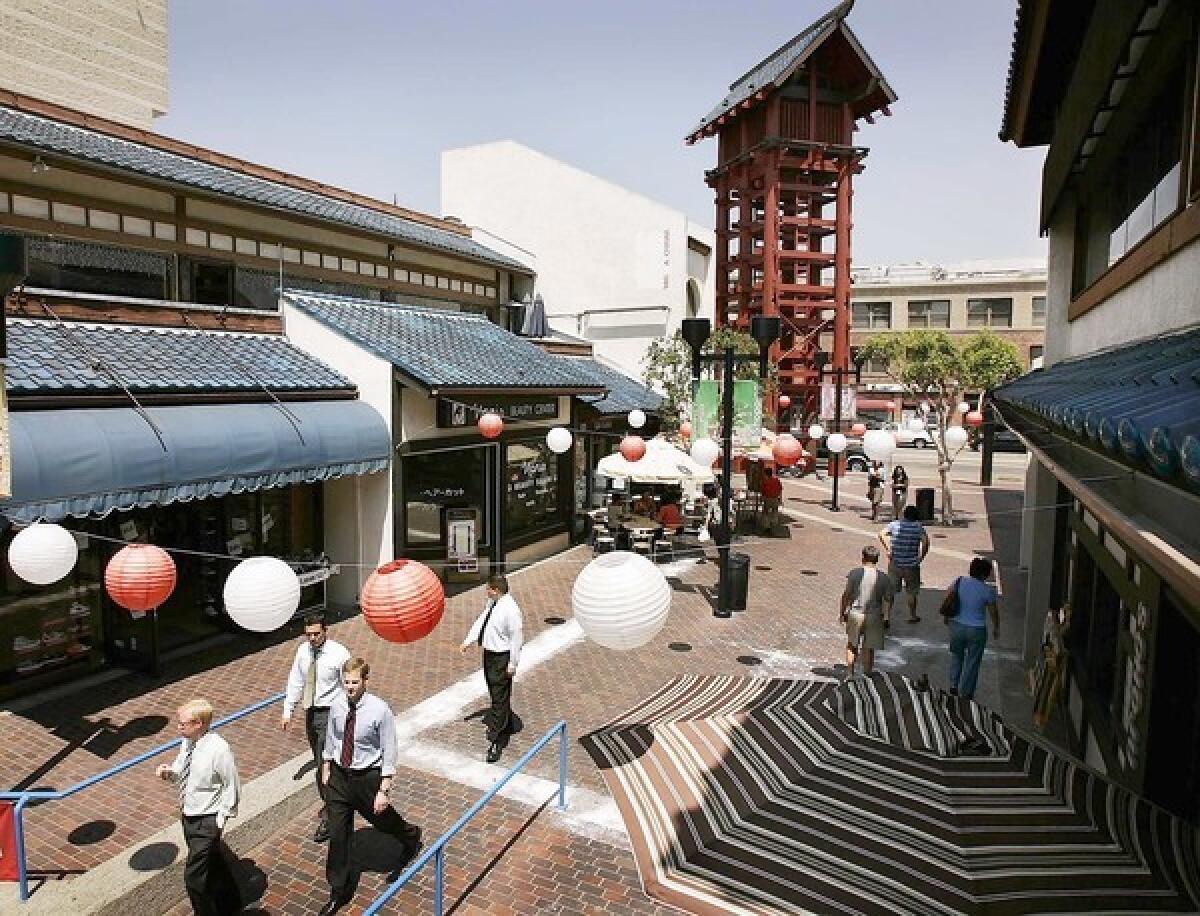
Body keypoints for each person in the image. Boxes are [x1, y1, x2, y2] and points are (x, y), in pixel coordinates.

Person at [320, 657, 421, 916]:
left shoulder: (379, 710)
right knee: (338, 834)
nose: (349, 687)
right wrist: (327, 765)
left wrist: (384, 788)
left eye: (354, 682)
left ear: (366, 681)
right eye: (346, 682)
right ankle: (338, 889)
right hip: (341, 779)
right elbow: (332, 737)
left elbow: (389, 749)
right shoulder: (337, 705)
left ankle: (410, 836)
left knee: (383, 821)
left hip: (367, 778)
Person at [156, 699, 242, 916]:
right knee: (213, 862)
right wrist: (170, 773)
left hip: (207, 820)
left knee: (194, 877)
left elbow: (231, 785)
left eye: (183, 724)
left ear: (199, 724)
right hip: (189, 815)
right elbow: (181, 770)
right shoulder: (188, 742)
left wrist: (220, 820)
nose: (178, 728)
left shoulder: (218, 749)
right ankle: (231, 903)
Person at [280, 612, 351, 843]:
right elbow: (296, 680)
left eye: (316, 634)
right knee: (320, 760)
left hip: (330, 713)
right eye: (308, 634)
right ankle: (334, 802)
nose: (312, 638)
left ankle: (332, 815)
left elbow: (349, 684)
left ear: (325, 630)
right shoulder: (303, 651)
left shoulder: (339, 654)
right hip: (311, 711)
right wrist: (288, 710)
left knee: (324, 765)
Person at [460, 574, 524, 763]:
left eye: (488, 588)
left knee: (498, 697)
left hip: (501, 657)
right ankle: (508, 721)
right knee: (497, 693)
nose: (486, 591)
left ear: (496, 590)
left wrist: (512, 664)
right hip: (490, 655)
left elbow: (517, 639)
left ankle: (497, 739)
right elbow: (482, 620)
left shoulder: (511, 611)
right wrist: (468, 640)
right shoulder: (493, 604)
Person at [945, 557, 1001, 699]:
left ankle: (953, 685)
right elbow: (993, 611)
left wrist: (947, 617)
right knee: (972, 661)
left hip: (957, 625)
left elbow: (949, 597)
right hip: (977, 629)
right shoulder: (987, 590)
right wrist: (996, 627)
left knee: (957, 655)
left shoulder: (959, 581)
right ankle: (966, 692)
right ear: (985, 574)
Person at [838, 546, 895, 677]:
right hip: (874, 616)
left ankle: (850, 673)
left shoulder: (854, 573)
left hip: (856, 613)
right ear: (877, 559)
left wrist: (842, 613)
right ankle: (867, 675)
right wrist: (886, 617)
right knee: (869, 648)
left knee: (852, 644)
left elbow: (846, 595)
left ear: (863, 557)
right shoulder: (884, 578)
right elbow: (889, 599)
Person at [879, 505, 931, 623]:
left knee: (890, 591)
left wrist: (888, 548)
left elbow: (881, 534)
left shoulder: (895, 524)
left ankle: (886, 616)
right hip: (911, 565)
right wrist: (921, 557)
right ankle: (912, 615)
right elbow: (926, 542)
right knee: (911, 592)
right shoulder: (918, 527)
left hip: (895, 563)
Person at [759, 466, 783, 534]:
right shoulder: (776, 480)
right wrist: (780, 499)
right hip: (775, 499)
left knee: (765, 512)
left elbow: (763, 492)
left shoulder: (765, 482)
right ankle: (773, 524)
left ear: (766, 474)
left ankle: (767, 527)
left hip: (768, 499)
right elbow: (780, 490)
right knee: (774, 512)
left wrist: (762, 498)